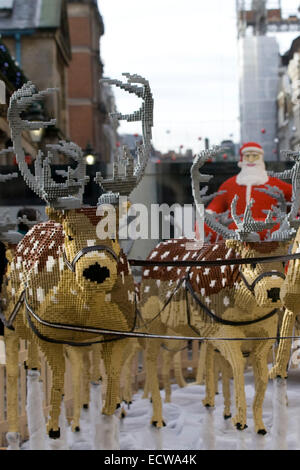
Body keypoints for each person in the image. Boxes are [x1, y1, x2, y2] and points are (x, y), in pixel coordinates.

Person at [202, 142, 292, 241]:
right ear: (242, 159)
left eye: (255, 156)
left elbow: (295, 195)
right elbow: (216, 205)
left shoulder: (275, 183)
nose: (251, 160)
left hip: (268, 228)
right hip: (235, 229)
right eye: (247, 156)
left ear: (261, 159)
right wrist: (208, 214)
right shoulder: (229, 185)